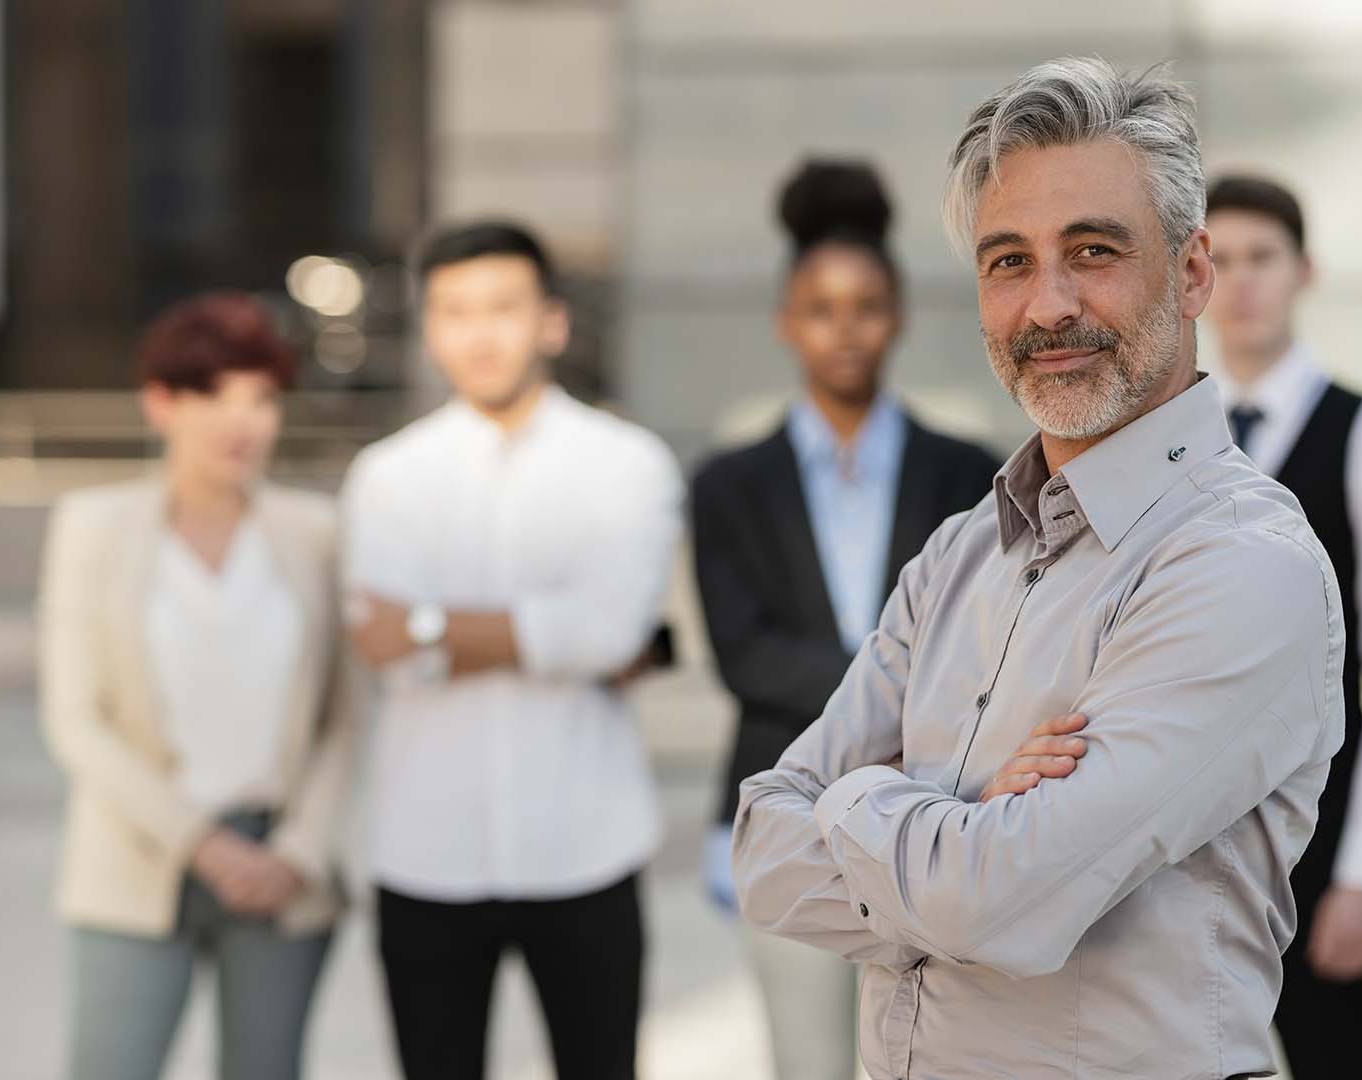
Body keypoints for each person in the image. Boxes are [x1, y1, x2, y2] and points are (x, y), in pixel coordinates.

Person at [731, 57, 1344, 1079]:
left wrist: (863, 802)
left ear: (1194, 272)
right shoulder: (963, 549)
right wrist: (965, 822)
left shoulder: (1244, 565)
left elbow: (1004, 902)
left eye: (1093, 251)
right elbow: (759, 846)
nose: (1047, 305)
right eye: (1007, 261)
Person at [341, 220, 682, 1080]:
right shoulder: (387, 476)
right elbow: (382, 644)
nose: (479, 332)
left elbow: (611, 630)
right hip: (425, 852)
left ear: (552, 322)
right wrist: (553, 632)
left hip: (586, 846)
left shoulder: (627, 464)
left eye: (502, 307)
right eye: (454, 311)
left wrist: (431, 622)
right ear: (430, 329)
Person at [693, 158, 1000, 1080]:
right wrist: (908, 693)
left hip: (942, 816)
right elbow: (747, 657)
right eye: (821, 308)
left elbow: (987, 643)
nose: (845, 330)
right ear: (789, 320)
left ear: (898, 314)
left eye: (866, 305)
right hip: (789, 811)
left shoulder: (969, 473)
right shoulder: (728, 485)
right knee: (809, 1066)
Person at [38, 293, 359, 1080]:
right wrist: (207, 848)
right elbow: (77, 721)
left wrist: (297, 850)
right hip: (137, 862)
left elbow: (348, 717)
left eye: (260, 398)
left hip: (283, 873)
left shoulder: (314, 533)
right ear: (161, 404)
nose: (240, 422)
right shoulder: (93, 527)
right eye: (212, 396)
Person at [1203, 174, 1362, 1078]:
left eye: (1262, 257)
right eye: (1220, 261)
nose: (1244, 282)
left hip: (1322, 836)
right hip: (1188, 844)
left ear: (1305, 270)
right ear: (1192, 277)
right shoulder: (1170, 443)